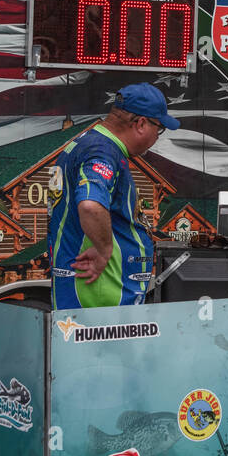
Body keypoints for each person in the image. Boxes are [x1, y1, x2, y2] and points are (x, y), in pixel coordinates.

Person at [48, 82, 180, 310]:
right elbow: (90, 204)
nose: (157, 137)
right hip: (102, 290)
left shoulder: (85, 143)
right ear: (140, 123)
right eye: (158, 129)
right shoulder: (102, 151)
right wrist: (104, 250)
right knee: (104, 346)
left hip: (92, 286)